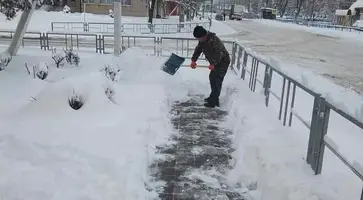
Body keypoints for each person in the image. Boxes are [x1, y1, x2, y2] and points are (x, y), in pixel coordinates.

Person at [190, 26, 230, 108]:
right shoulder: (203, 41)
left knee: (217, 80)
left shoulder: (214, 40)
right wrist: (193, 60)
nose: (199, 40)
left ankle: (214, 101)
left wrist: (213, 64)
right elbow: (198, 49)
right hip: (215, 62)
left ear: (204, 35)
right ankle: (213, 97)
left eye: (199, 38)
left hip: (223, 61)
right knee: (212, 78)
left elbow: (219, 54)